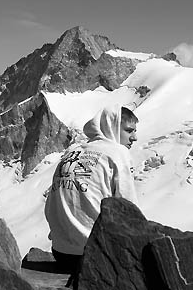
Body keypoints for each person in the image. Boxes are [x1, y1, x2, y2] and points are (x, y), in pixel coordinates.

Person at [44, 104, 139, 284]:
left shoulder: (72, 151)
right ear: (112, 128)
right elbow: (129, 209)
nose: (134, 137)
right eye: (129, 131)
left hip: (61, 252)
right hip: (94, 254)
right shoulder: (118, 153)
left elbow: (50, 206)